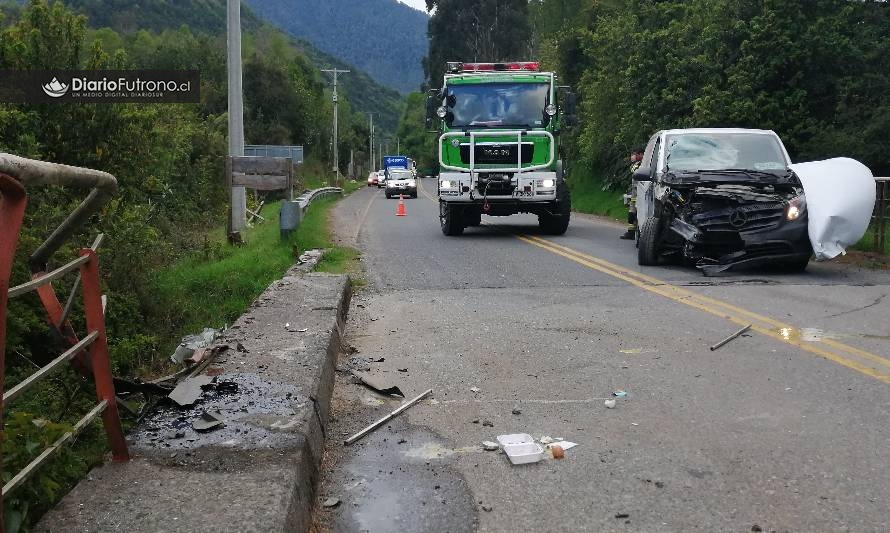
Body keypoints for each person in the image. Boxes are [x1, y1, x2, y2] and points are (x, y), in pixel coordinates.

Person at [620, 147, 645, 240]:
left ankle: (638, 233)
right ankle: (631, 232)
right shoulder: (637, 165)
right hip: (635, 193)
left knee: (636, 214)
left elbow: (634, 170)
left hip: (641, 193)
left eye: (634, 154)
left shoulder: (643, 165)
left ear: (641, 155)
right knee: (632, 214)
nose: (632, 156)